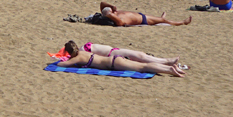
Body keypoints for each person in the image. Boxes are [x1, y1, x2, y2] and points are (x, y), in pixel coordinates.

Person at [54, 41, 185, 76]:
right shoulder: (83, 53)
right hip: (115, 59)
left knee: (143, 67)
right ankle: (169, 67)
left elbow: (61, 66)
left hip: (114, 64)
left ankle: (169, 69)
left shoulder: (78, 58)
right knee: (141, 62)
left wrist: (64, 59)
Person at [95, 2, 191, 27]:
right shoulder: (118, 19)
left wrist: (111, 5)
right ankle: (182, 22)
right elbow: (120, 23)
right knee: (164, 21)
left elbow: (102, 3)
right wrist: (109, 14)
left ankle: (160, 18)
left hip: (140, 15)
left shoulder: (115, 13)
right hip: (143, 19)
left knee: (158, 19)